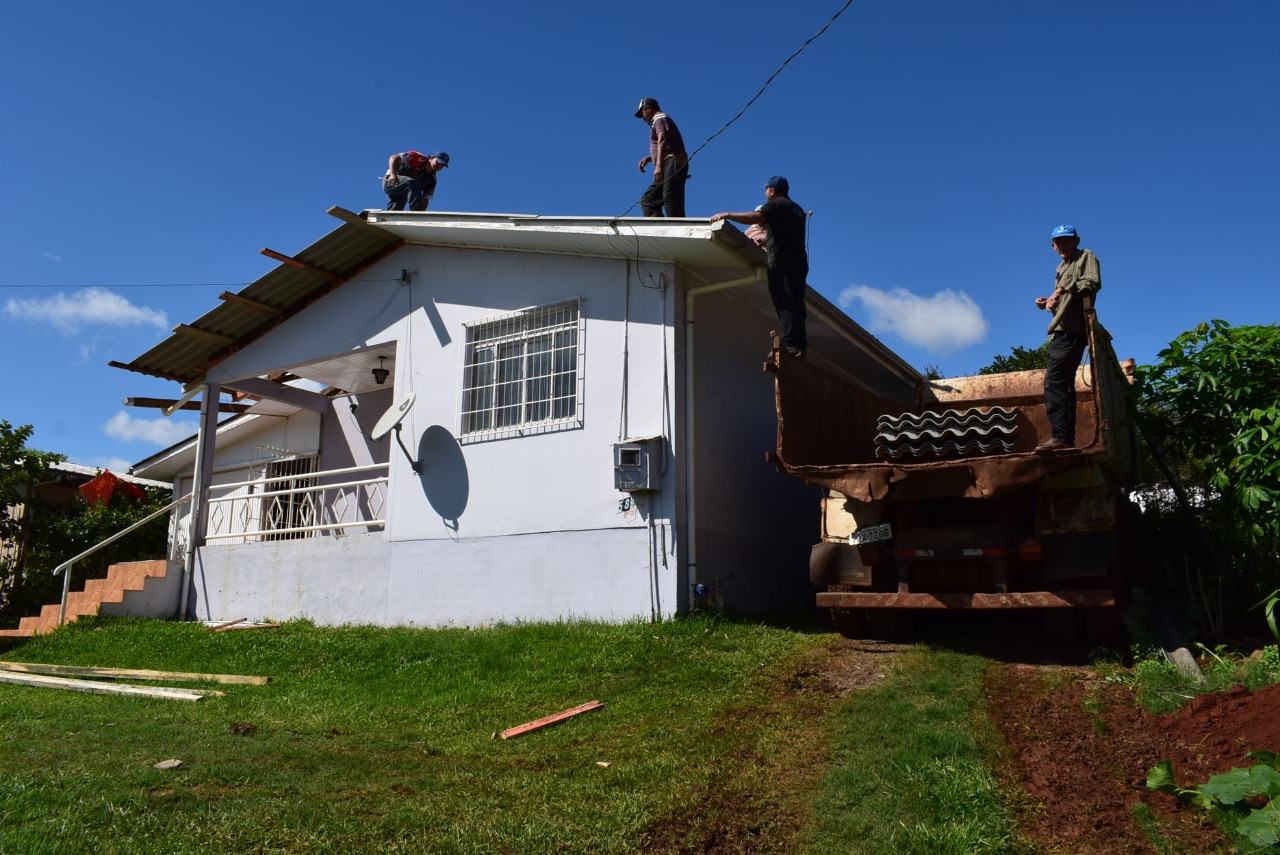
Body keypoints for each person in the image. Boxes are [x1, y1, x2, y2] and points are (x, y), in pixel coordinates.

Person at [710, 176, 809, 356]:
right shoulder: (797, 209)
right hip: (799, 261)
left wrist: (727, 215)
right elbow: (779, 229)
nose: (765, 193)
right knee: (796, 301)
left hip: (782, 260)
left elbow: (757, 217)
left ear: (772, 191)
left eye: (766, 189)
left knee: (784, 298)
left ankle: (789, 343)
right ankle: (800, 344)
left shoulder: (776, 204)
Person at [1034, 224, 1102, 451]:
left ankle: (1061, 437)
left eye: (1066, 241)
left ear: (1076, 241)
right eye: (1058, 242)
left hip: (1072, 330)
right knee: (1060, 383)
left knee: (1055, 382)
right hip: (1061, 329)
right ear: (1053, 246)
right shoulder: (1061, 267)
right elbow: (1065, 303)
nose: (1062, 245)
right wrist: (1048, 303)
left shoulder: (1086, 256)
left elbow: (1090, 283)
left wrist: (1060, 290)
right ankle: (1064, 437)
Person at [635, 97, 688, 217]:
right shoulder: (657, 120)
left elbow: (663, 138)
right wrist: (651, 158)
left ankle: (677, 225)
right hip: (667, 162)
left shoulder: (659, 118)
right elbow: (668, 144)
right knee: (648, 200)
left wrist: (658, 166)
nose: (643, 118)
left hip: (673, 160)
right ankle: (658, 226)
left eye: (642, 113)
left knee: (670, 195)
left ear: (648, 109)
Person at [383, 150, 449, 211]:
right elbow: (393, 158)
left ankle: (388, 218)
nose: (439, 166)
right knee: (414, 183)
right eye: (438, 162)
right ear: (432, 158)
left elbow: (425, 198)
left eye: (442, 165)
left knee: (396, 208)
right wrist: (393, 174)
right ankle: (415, 212)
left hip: (403, 192)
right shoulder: (417, 157)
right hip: (391, 181)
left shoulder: (432, 180)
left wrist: (420, 215)